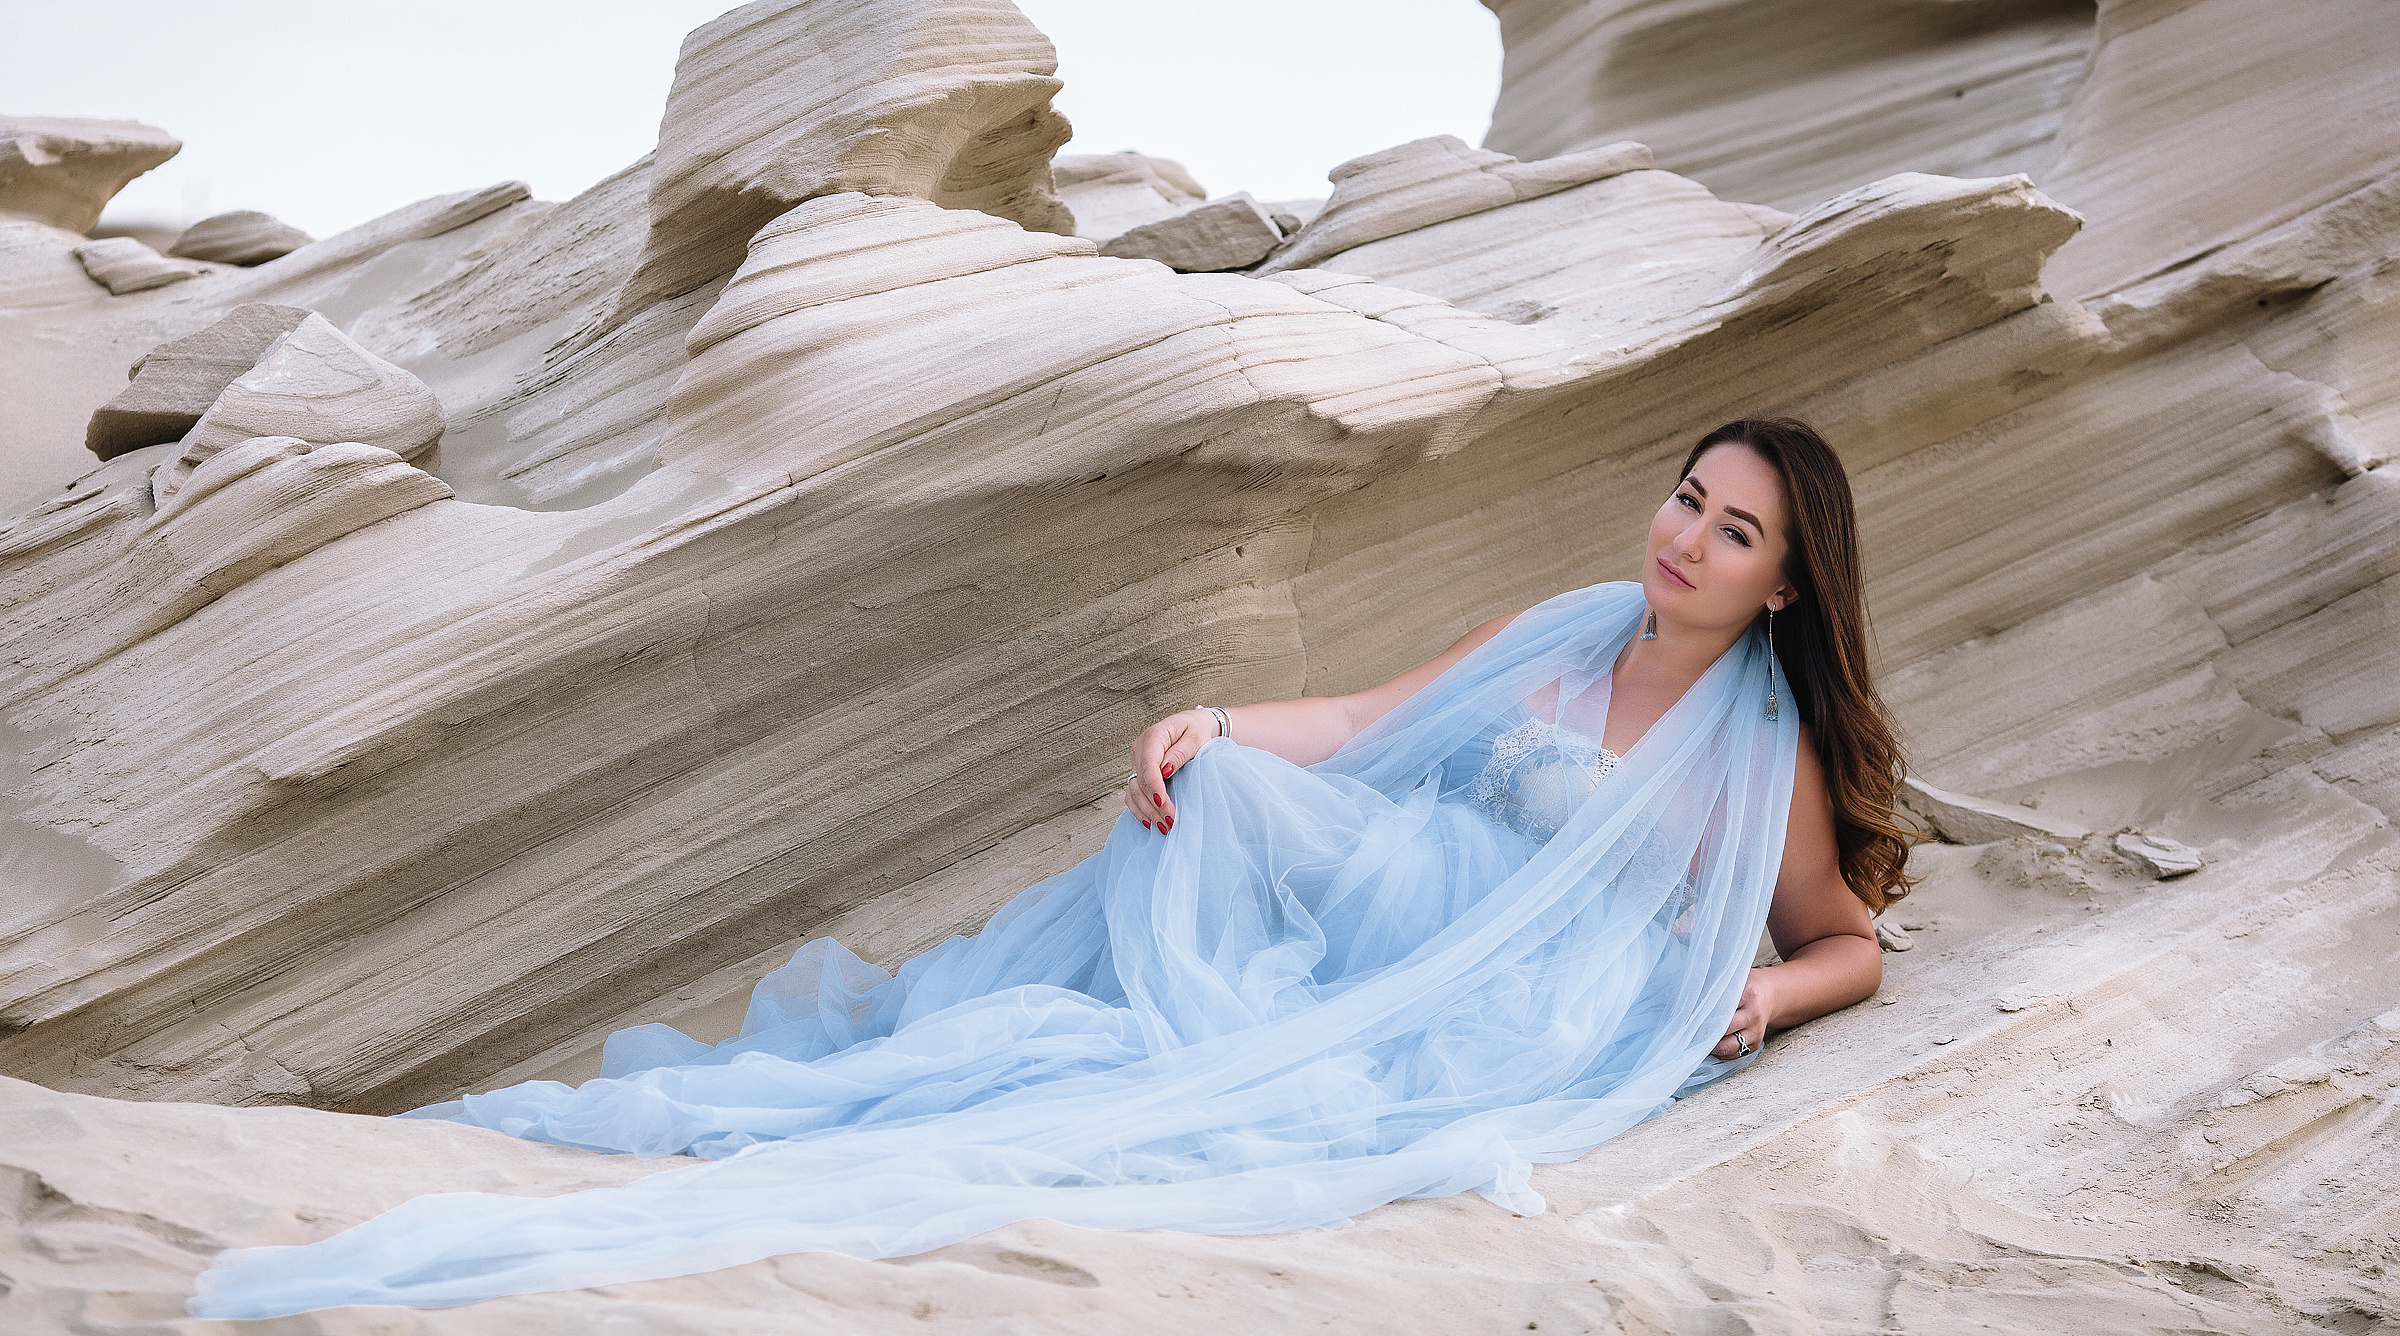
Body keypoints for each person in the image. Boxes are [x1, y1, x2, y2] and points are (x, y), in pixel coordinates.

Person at [190, 416, 1914, 1320]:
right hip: (1418, 877)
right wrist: (1215, 716)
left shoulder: (1769, 753)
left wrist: (1765, 986)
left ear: (1781, 583)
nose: (1684, 537)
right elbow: (1377, 713)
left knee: (1297, 1054)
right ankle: (1179, 1026)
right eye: (1688, 497)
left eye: (1733, 530)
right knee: (1223, 791)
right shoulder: (1570, 624)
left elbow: (1851, 946)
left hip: (1528, 981)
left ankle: (1204, 1056)